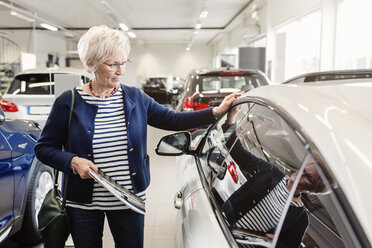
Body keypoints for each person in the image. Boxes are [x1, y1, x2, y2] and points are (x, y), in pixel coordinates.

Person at [34, 25, 242, 248]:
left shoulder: (135, 98)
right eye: (113, 64)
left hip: (128, 198)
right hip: (83, 204)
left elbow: (173, 120)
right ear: (92, 63)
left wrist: (216, 112)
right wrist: (73, 161)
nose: (120, 71)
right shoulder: (68, 101)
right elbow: (44, 148)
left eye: (123, 63)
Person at [221, 107, 324, 248]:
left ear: (313, 190)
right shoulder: (270, 172)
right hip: (219, 227)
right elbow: (236, 151)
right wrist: (229, 121)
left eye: (308, 177)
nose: (299, 174)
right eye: (303, 170)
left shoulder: (300, 220)